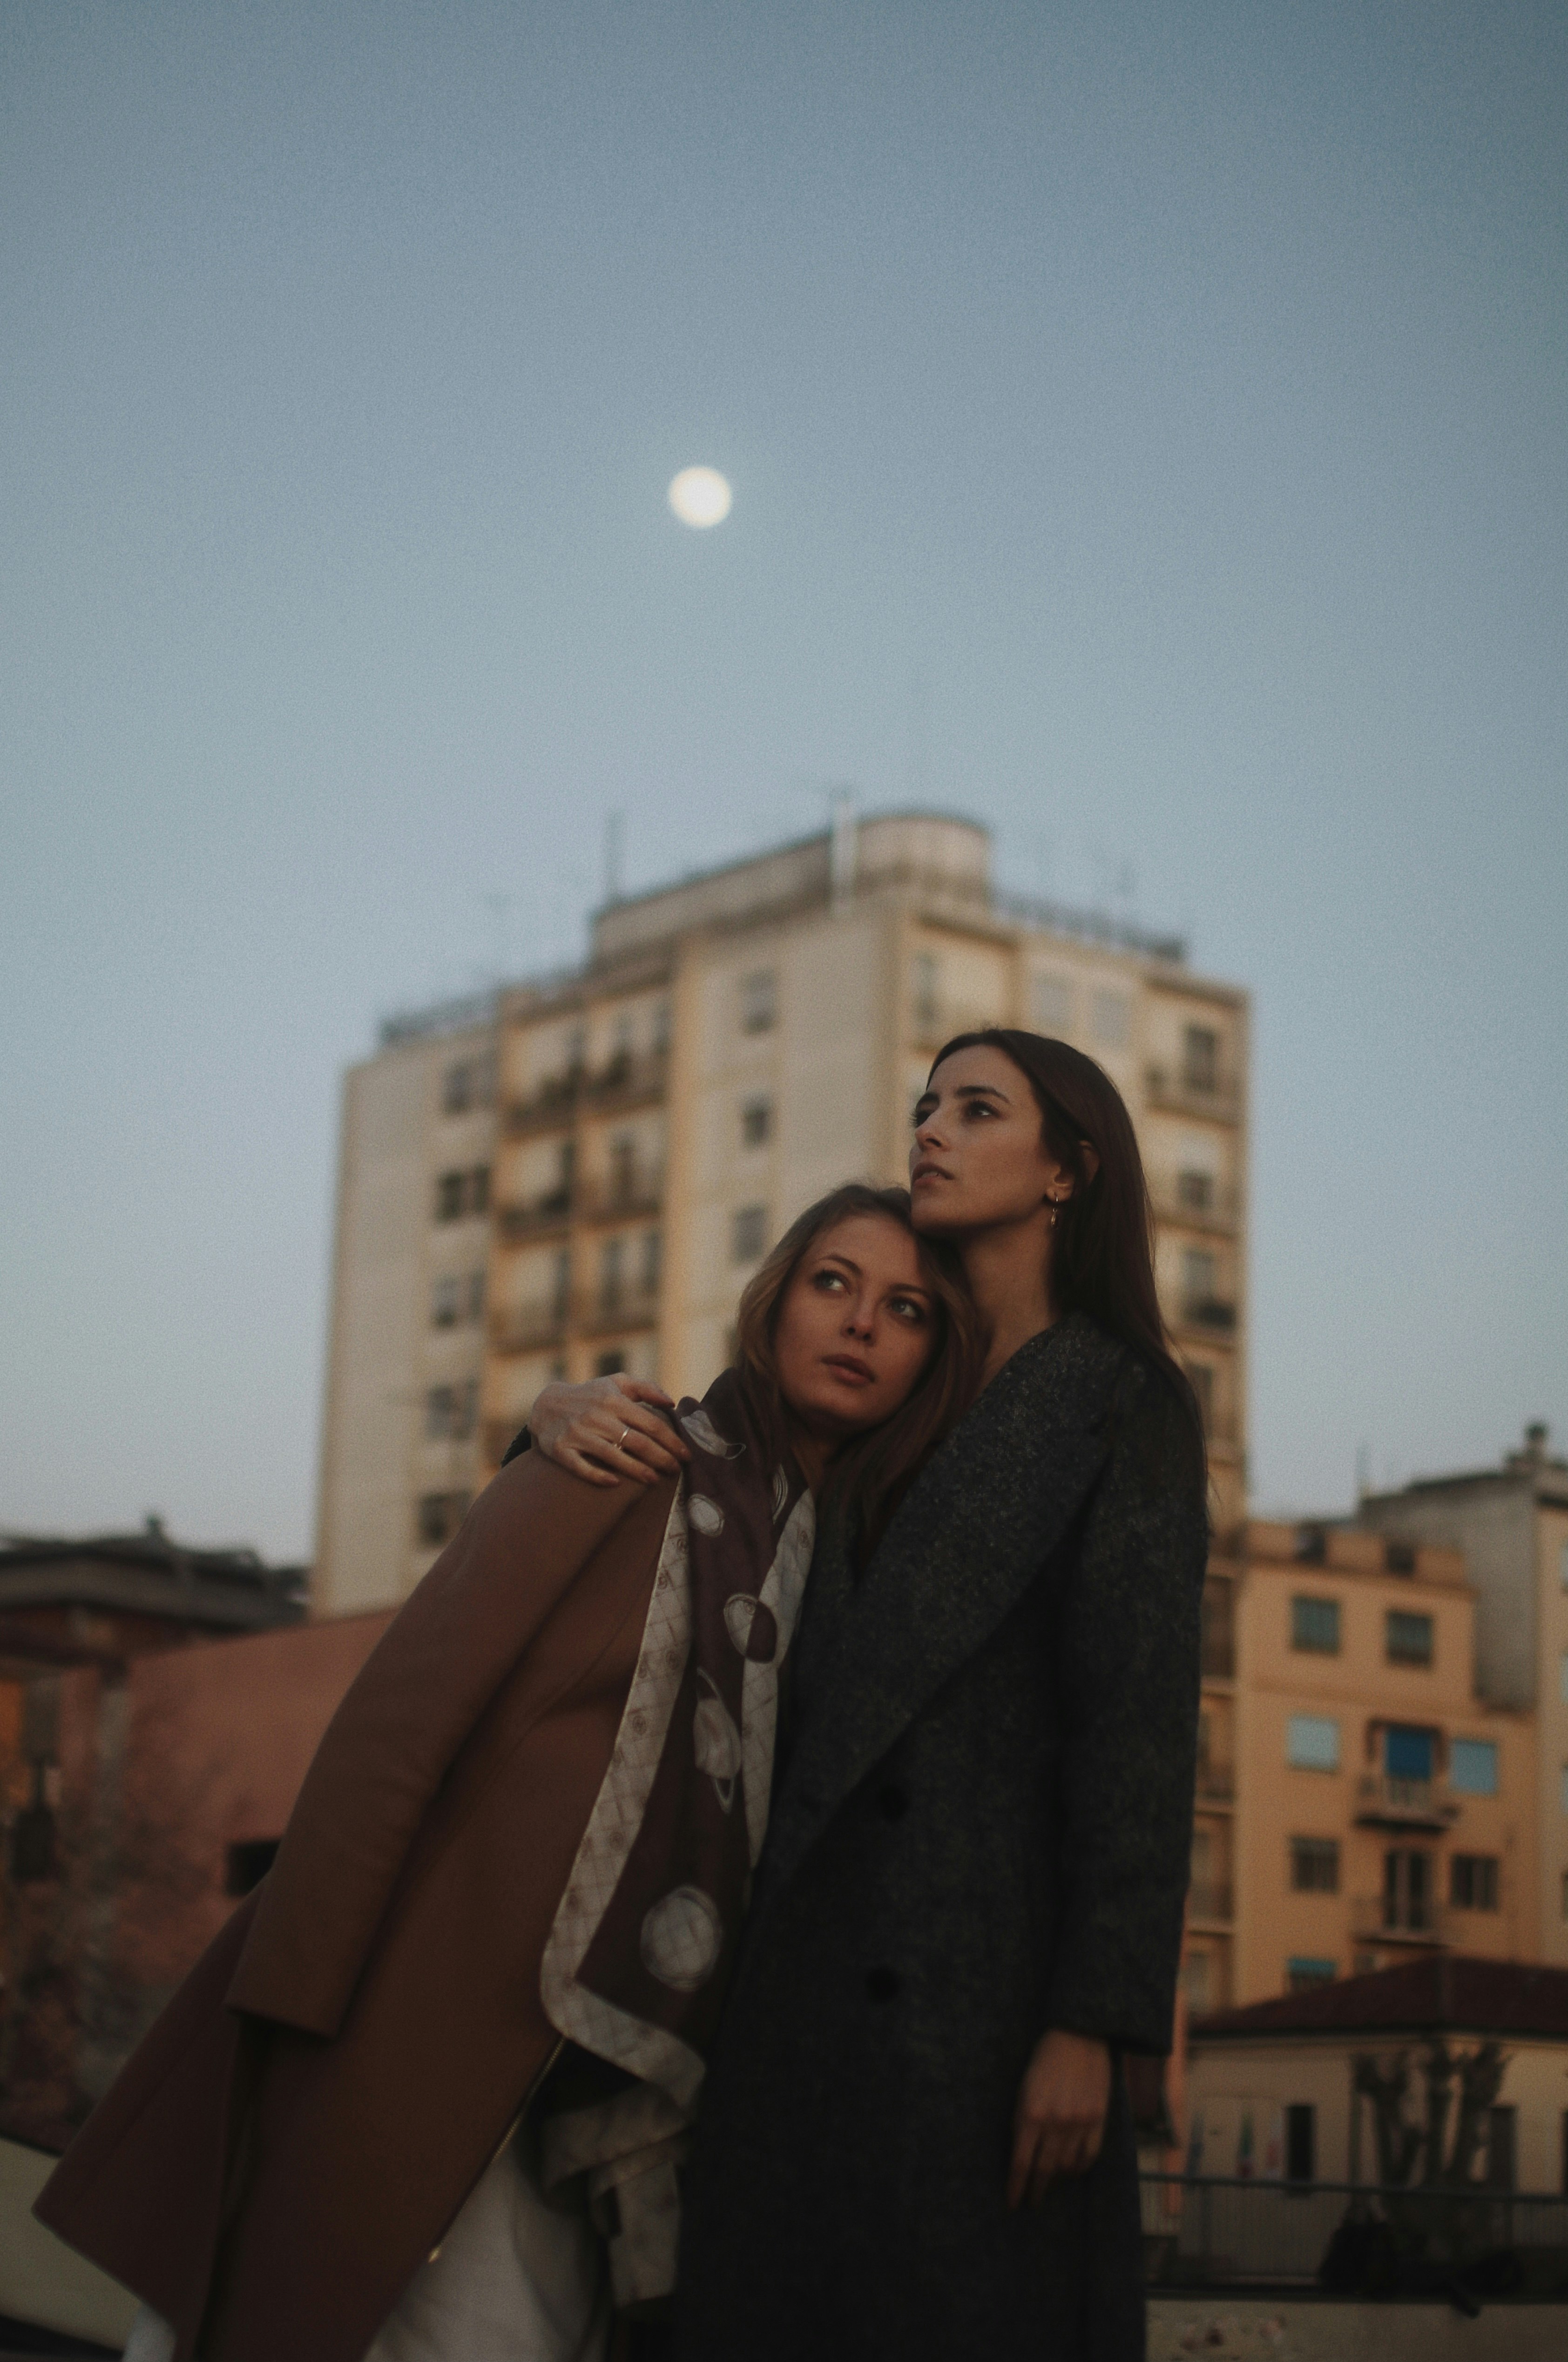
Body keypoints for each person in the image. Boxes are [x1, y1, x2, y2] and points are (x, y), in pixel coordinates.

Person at [35, 1184, 978, 2362]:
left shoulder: (862, 1573)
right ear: (772, 1299)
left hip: (614, 2078)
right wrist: (298, 1986)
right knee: (309, 2306)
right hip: (428, 2004)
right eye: (832, 1282)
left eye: (906, 1309)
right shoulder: (623, 1452)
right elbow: (404, 1711)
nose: (860, 1324)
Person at [533, 1031, 1208, 2362]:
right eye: (925, 1108)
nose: (930, 1132)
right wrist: (553, 1417)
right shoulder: (911, 1382)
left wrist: (1093, 2021)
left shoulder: (1122, 1401)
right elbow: (719, 1474)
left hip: (983, 2015)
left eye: (975, 1108)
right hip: (785, 2009)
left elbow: (1135, 1733)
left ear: (1068, 1170)